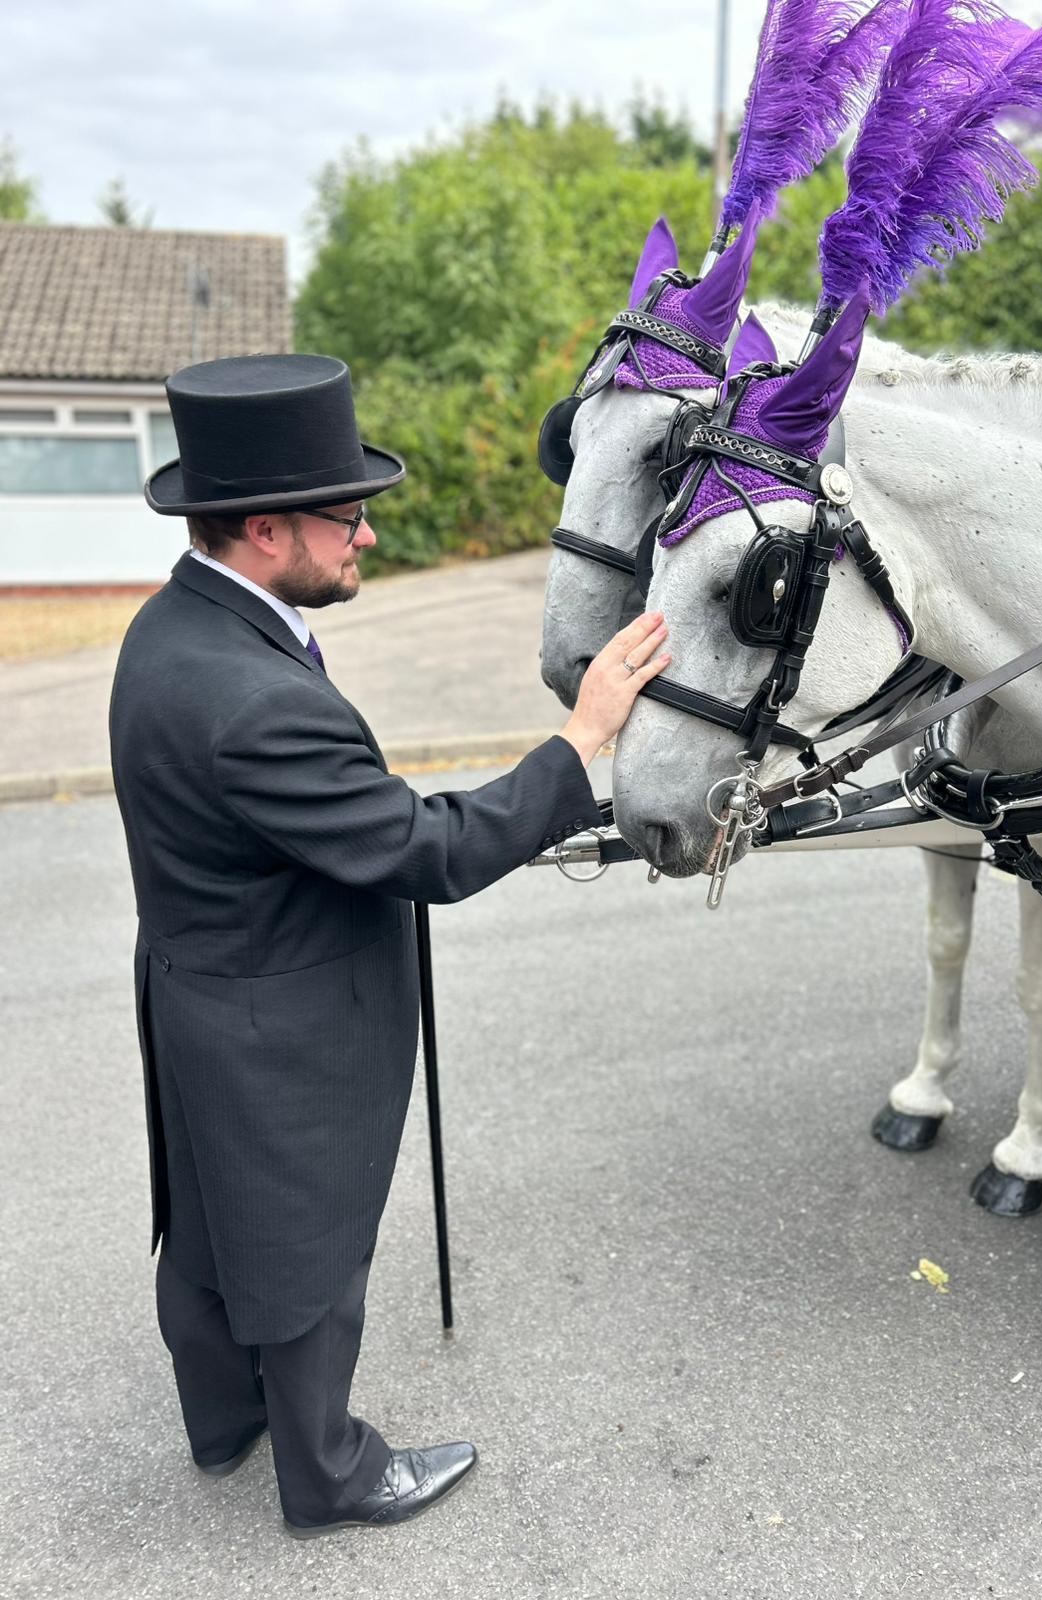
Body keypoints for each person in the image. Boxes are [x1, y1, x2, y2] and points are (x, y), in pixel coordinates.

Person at [108, 352, 670, 1538]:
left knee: (211, 1223)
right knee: (309, 1244)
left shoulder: (174, 625)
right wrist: (581, 742)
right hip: (280, 1020)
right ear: (265, 529)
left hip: (203, 984)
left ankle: (226, 1418)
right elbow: (427, 853)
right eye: (347, 518)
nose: (367, 538)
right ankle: (331, 1472)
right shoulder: (252, 700)